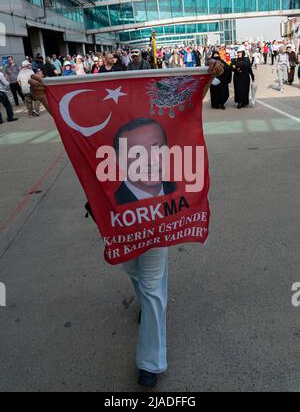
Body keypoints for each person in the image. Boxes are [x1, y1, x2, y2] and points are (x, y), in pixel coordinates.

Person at [28, 58, 224, 388]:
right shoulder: (114, 189)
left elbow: (188, 104)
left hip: (160, 224)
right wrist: (46, 95)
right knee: (135, 273)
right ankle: (149, 307)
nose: (147, 161)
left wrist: (207, 76)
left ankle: (150, 363)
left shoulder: (173, 189)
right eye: (135, 153)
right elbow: (72, 125)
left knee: (150, 287)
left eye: (155, 149)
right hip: (118, 222)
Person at [113, 118, 177, 205]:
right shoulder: (109, 205)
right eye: (138, 153)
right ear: (120, 161)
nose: (152, 162)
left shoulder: (184, 191)